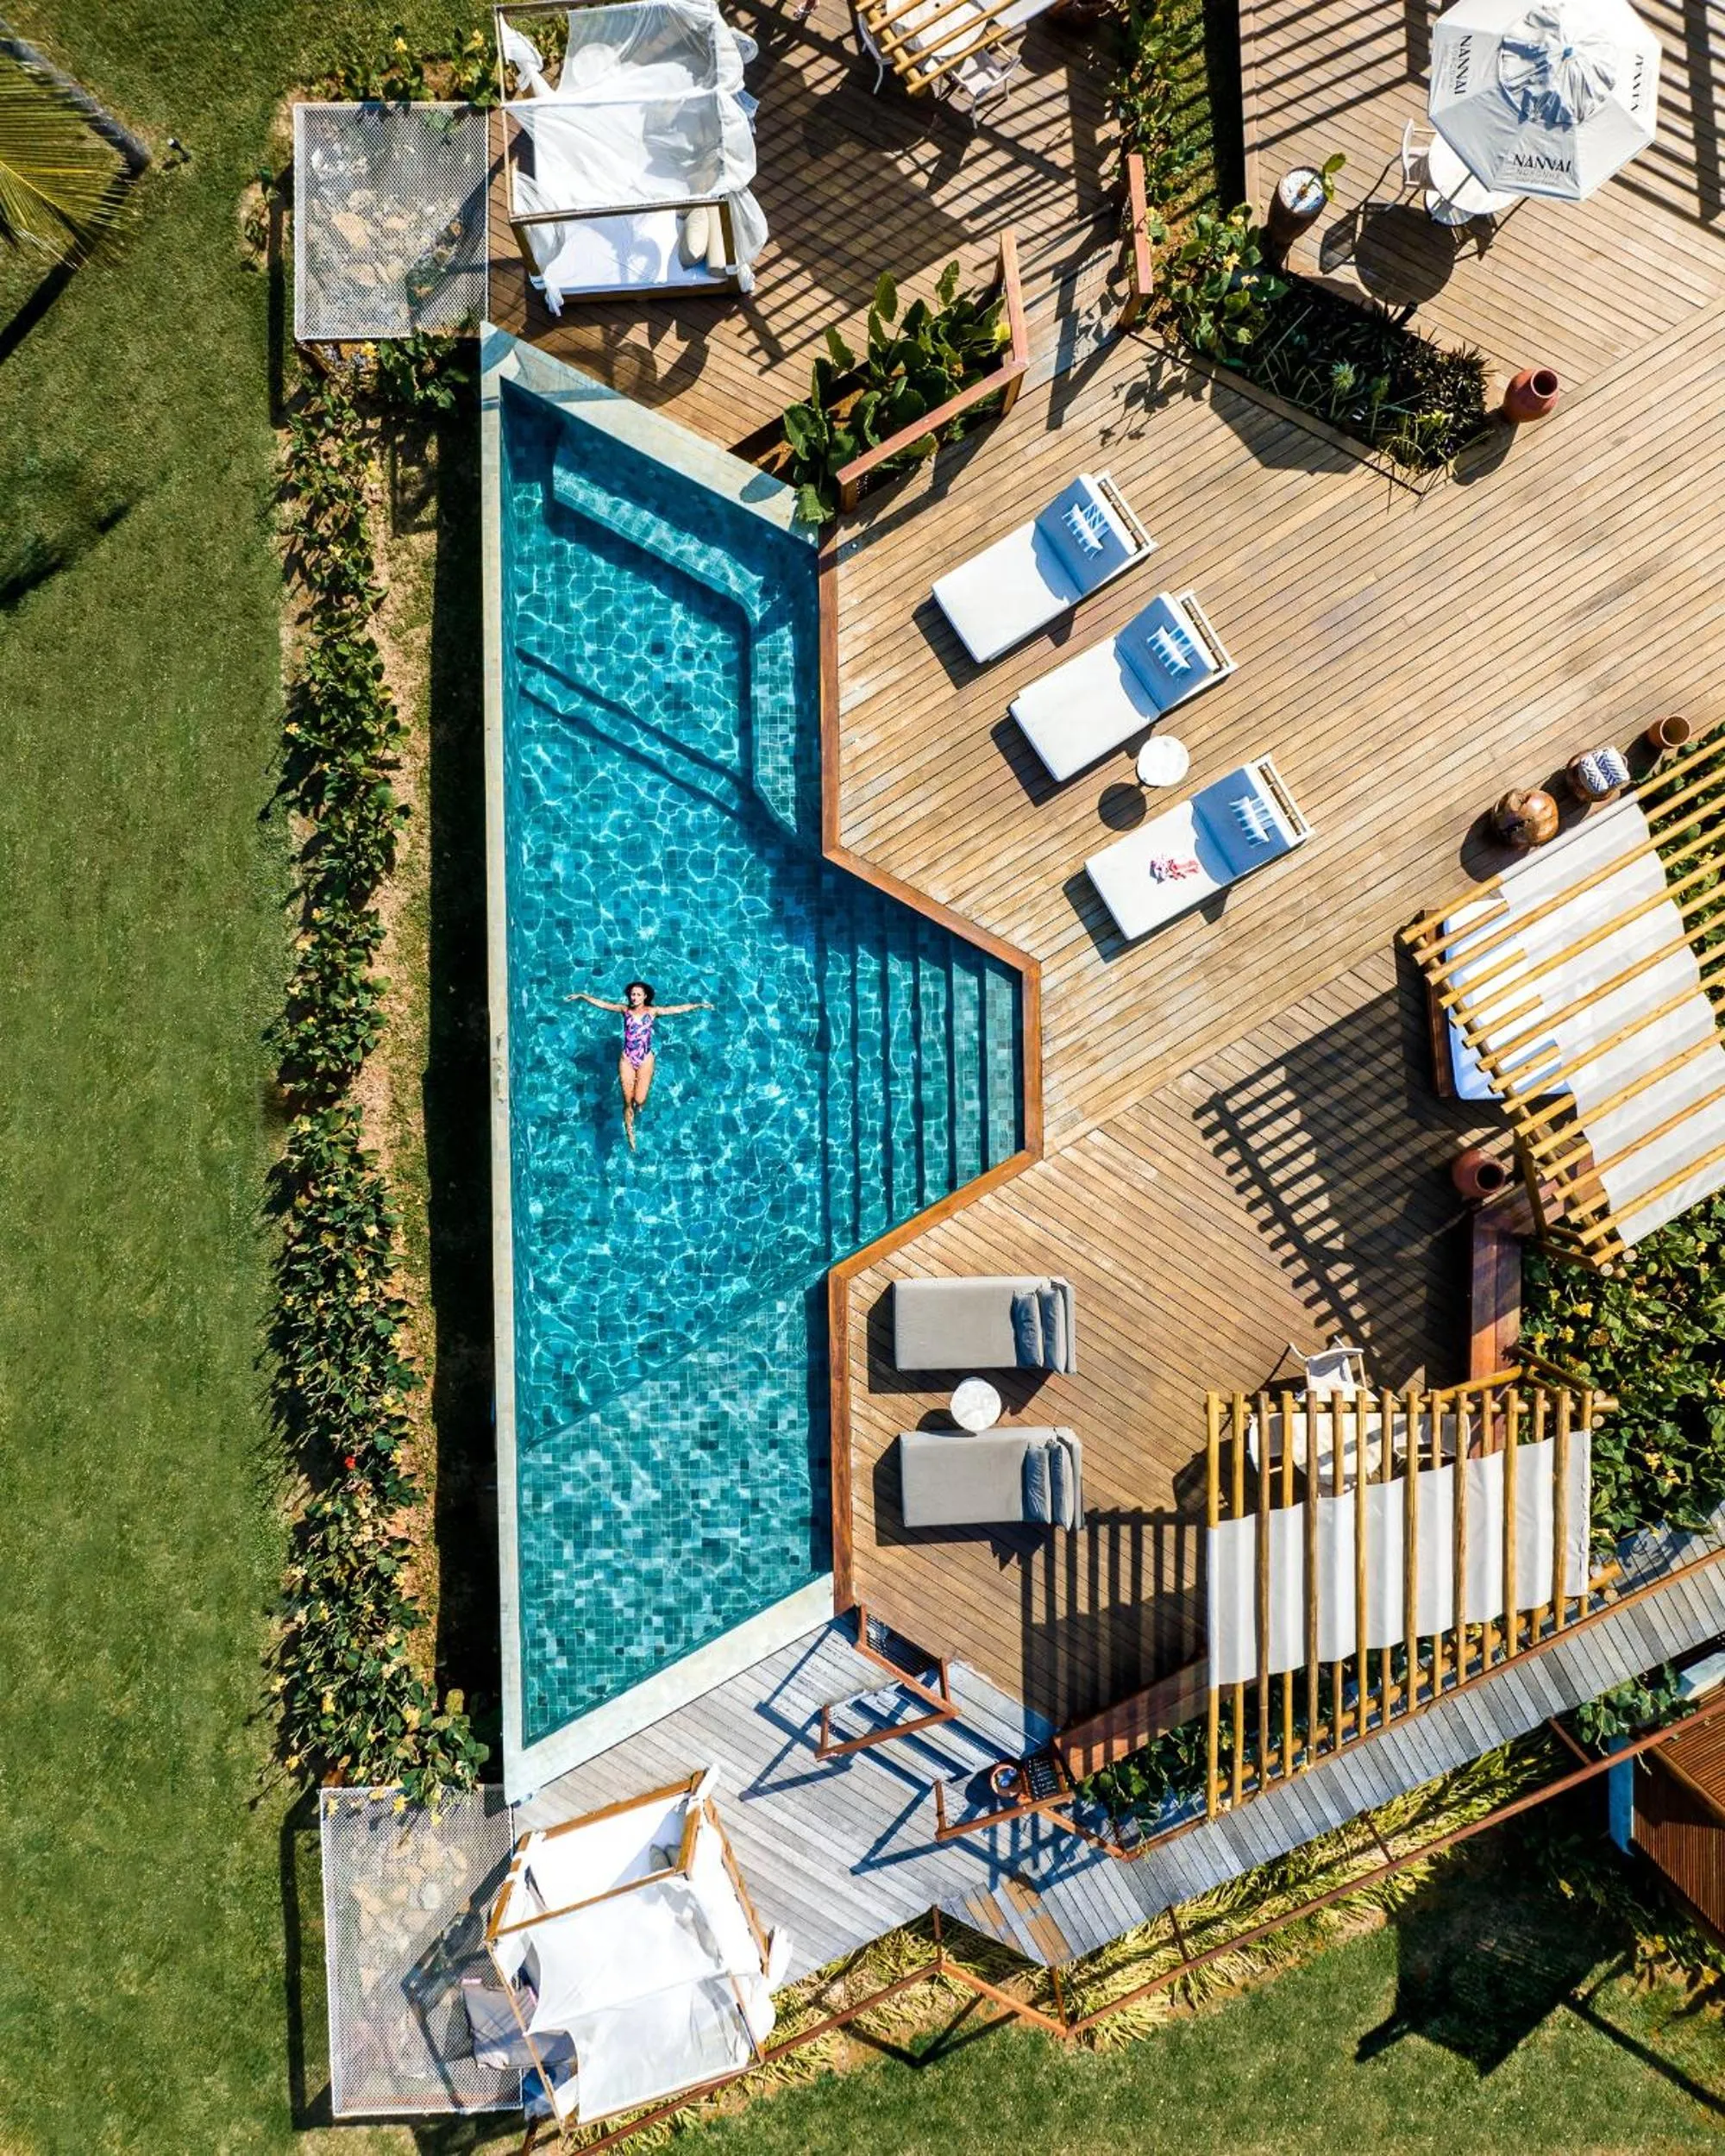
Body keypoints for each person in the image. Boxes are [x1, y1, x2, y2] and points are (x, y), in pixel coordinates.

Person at [567, 980, 712, 1148]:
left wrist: (698, 1005)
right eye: (632, 994)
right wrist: (582, 996)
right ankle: (630, 1131)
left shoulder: (652, 1011)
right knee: (628, 1101)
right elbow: (604, 1004)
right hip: (627, 1060)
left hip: (645, 1060)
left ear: (645, 997)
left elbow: (676, 1009)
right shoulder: (625, 1010)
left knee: (640, 1099)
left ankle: (639, 1106)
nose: (634, 997)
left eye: (638, 995)